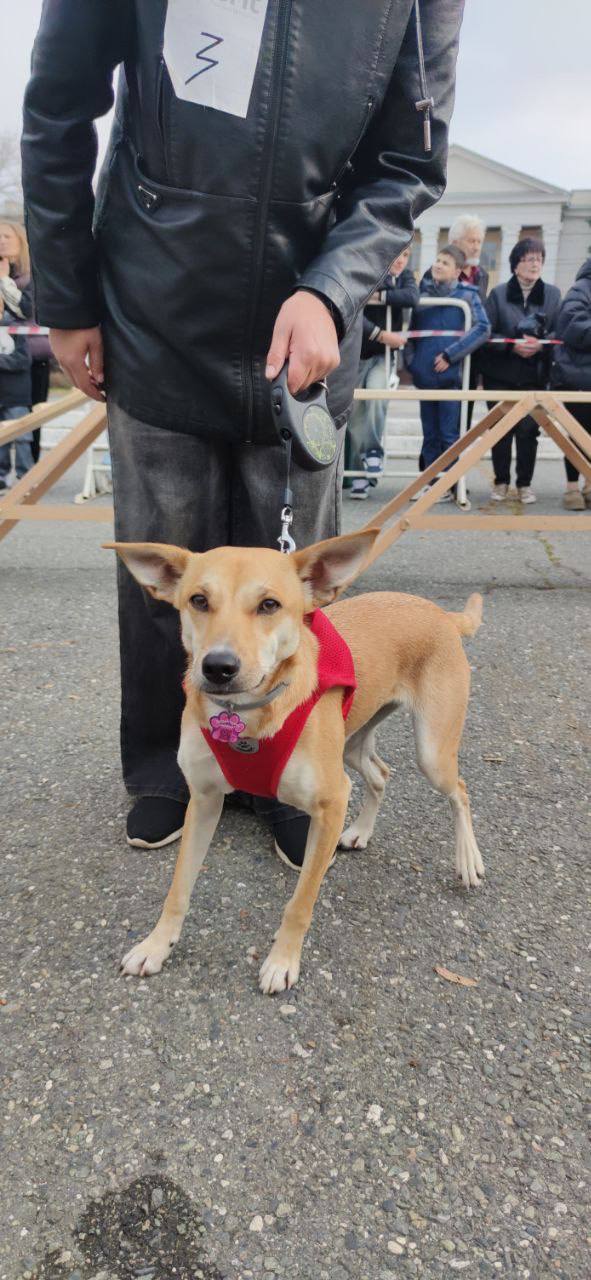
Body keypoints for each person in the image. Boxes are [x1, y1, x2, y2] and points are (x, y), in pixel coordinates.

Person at [22, 0, 465, 865]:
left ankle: (295, 763)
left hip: (309, 321)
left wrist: (334, 287)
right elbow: (59, 102)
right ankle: (164, 765)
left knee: (289, 585)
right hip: (153, 300)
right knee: (170, 569)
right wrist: (67, 296)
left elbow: (408, 162)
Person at [479, 237, 561, 504]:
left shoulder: (552, 294)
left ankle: (524, 484)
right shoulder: (499, 294)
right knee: (500, 430)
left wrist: (541, 345)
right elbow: (488, 333)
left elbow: (558, 331)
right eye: (529, 258)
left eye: (539, 259)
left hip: (534, 375)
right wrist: (511, 346)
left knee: (528, 431)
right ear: (516, 265)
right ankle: (501, 482)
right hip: (501, 374)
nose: (535, 264)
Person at [405, 244, 490, 499]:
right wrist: (414, 364)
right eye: (437, 260)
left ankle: (451, 486)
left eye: (445, 262)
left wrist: (451, 355)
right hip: (426, 378)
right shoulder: (421, 296)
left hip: (451, 379)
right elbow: (410, 334)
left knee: (449, 434)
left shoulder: (467, 296)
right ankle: (432, 485)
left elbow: (483, 328)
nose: (438, 265)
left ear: (457, 271)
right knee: (429, 434)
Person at [347, 246, 419, 499]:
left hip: (382, 356)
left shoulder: (405, 277)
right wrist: (381, 334)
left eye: (406, 255)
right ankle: (357, 476)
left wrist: (383, 297)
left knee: (377, 396)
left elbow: (412, 296)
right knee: (354, 413)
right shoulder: (368, 272)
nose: (400, 260)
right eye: (397, 253)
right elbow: (355, 309)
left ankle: (373, 452)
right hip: (357, 353)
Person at [0, 221, 52, 462]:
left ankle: (30, 473)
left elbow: (25, 310)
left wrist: (3, 281)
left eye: (6, 236)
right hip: (3, 357)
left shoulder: (32, 275)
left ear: (20, 241)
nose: (1, 241)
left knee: (32, 415)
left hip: (31, 356)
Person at [551, 258, 591, 510]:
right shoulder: (581, 288)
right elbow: (571, 324)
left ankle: (589, 483)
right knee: (577, 433)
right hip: (578, 376)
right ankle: (572, 487)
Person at [0, 296, 33, 490]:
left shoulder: (16, 328)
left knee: (22, 437)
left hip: (17, 393)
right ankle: (2, 477)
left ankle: (26, 478)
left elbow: (22, 359)